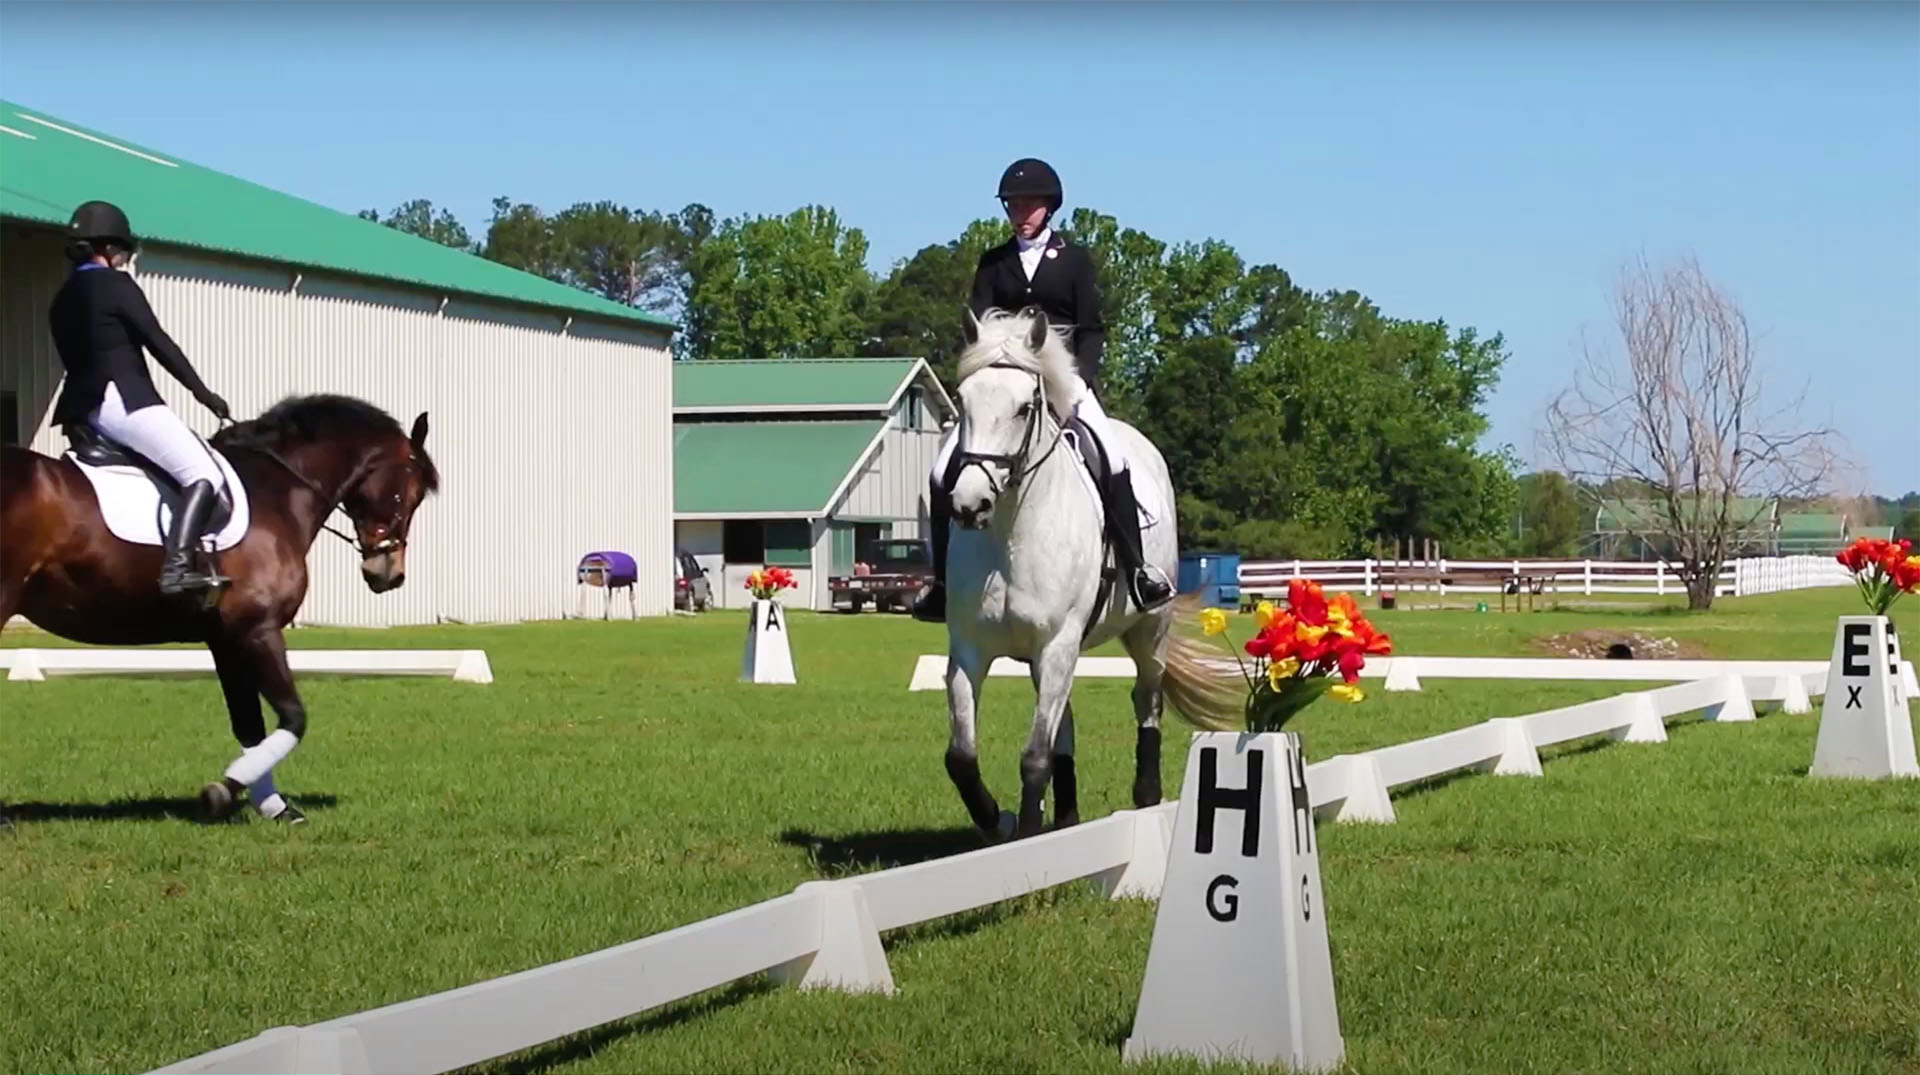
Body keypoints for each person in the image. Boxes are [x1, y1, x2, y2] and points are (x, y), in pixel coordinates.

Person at [912, 158, 1175, 623]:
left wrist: (1079, 377)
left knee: (1112, 459)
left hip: (1063, 381)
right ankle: (940, 584)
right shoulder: (994, 262)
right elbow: (977, 330)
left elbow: (1091, 328)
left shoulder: (1073, 260)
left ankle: (1138, 571)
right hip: (1006, 388)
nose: (1021, 211)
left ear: (1048, 208)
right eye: (1014, 204)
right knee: (940, 472)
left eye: (1029, 203)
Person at [47, 199, 234, 595]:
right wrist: (203, 394)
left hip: (84, 411)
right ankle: (178, 567)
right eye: (122, 252)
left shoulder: (62, 297)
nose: (124, 260)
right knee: (204, 473)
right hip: (124, 400)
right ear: (109, 248)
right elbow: (157, 342)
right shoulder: (115, 284)